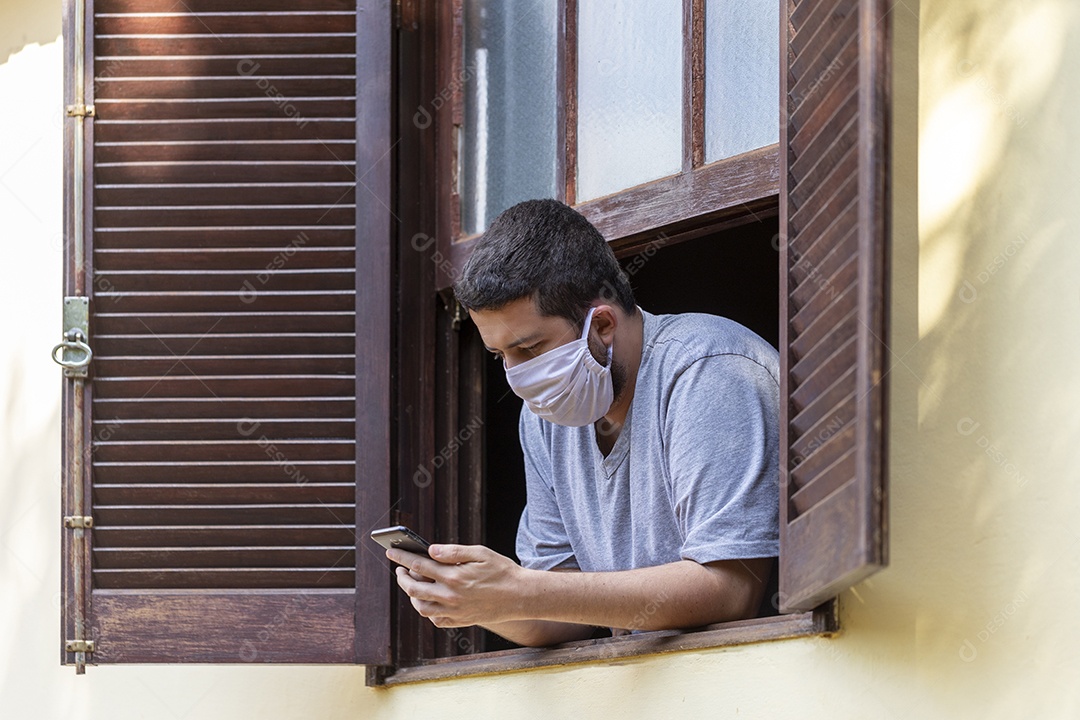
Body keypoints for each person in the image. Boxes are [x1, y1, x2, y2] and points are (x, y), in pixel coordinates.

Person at [385, 199, 779, 647]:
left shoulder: (709, 371)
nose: (516, 378)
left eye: (530, 349)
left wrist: (523, 590)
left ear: (604, 324)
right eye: (501, 357)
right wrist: (480, 601)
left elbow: (729, 591)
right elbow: (559, 617)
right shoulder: (544, 420)